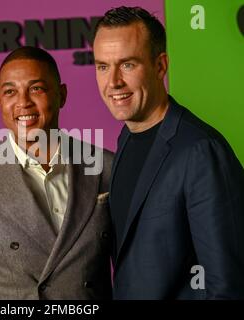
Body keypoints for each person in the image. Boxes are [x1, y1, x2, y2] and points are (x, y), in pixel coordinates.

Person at [0, 46, 114, 299]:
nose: (23, 102)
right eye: (10, 91)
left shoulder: (107, 166)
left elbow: (138, 270)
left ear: (62, 94)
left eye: (36, 88)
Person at [93, 6, 244, 299]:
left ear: (160, 66)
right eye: (102, 66)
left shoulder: (201, 151)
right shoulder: (127, 137)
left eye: (127, 65)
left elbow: (228, 285)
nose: (113, 83)